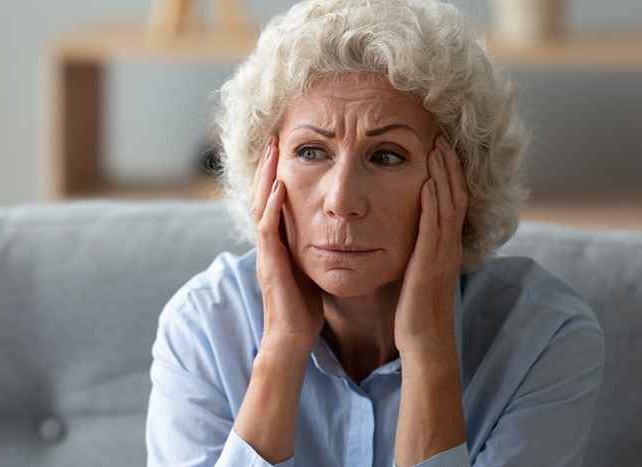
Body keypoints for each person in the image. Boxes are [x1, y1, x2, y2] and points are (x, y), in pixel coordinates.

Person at [145, 0, 606, 466]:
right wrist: (282, 346)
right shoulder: (203, 328)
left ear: (462, 180)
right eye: (310, 151)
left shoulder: (545, 340)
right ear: (264, 172)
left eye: (386, 156)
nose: (342, 201)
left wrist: (430, 355)